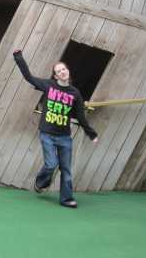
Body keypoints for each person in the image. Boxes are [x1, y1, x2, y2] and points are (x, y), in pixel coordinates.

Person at [13, 50, 98, 208]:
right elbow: (29, 77)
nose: (62, 72)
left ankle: (67, 199)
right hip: (47, 134)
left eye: (63, 69)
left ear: (68, 72)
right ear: (56, 76)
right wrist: (19, 58)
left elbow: (80, 116)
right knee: (51, 164)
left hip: (65, 137)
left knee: (66, 169)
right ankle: (40, 182)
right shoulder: (48, 86)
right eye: (58, 71)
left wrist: (91, 133)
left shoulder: (75, 94)